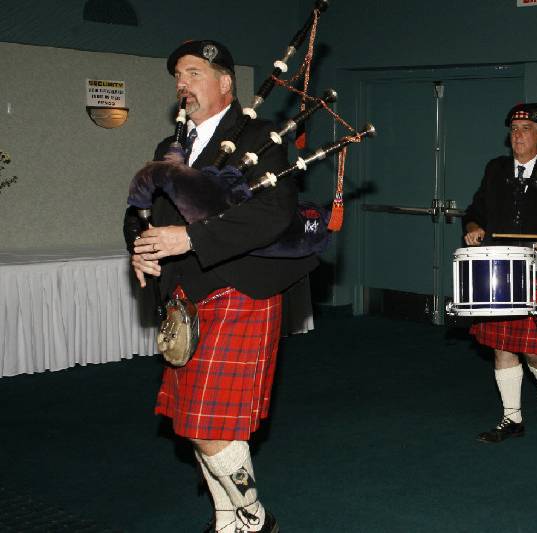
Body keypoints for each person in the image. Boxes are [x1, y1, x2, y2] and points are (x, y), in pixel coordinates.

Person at [123, 39, 317, 533]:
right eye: (177, 76)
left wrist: (187, 237)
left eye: (192, 72)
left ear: (226, 82)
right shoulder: (171, 147)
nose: (181, 83)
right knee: (195, 425)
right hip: (184, 298)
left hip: (238, 289)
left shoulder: (262, 139)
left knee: (211, 425)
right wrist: (141, 247)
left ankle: (255, 521)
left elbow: (273, 216)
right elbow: (141, 211)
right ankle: (227, 521)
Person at [463, 103, 537, 442]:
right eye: (513, 129)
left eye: (526, 128)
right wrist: (473, 227)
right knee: (502, 346)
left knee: (535, 351)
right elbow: (475, 211)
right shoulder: (496, 169)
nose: (517, 135)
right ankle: (512, 418)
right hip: (499, 270)